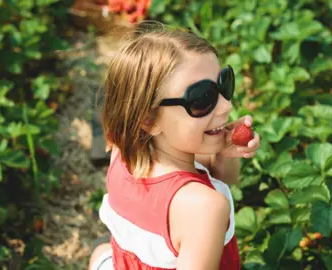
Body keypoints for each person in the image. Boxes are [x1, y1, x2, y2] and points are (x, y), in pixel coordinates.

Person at [88, 21, 260, 270]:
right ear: (149, 119)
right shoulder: (205, 208)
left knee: (103, 252)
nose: (227, 107)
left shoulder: (122, 152)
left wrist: (224, 152)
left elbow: (225, 178)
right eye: (202, 98)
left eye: (224, 85)